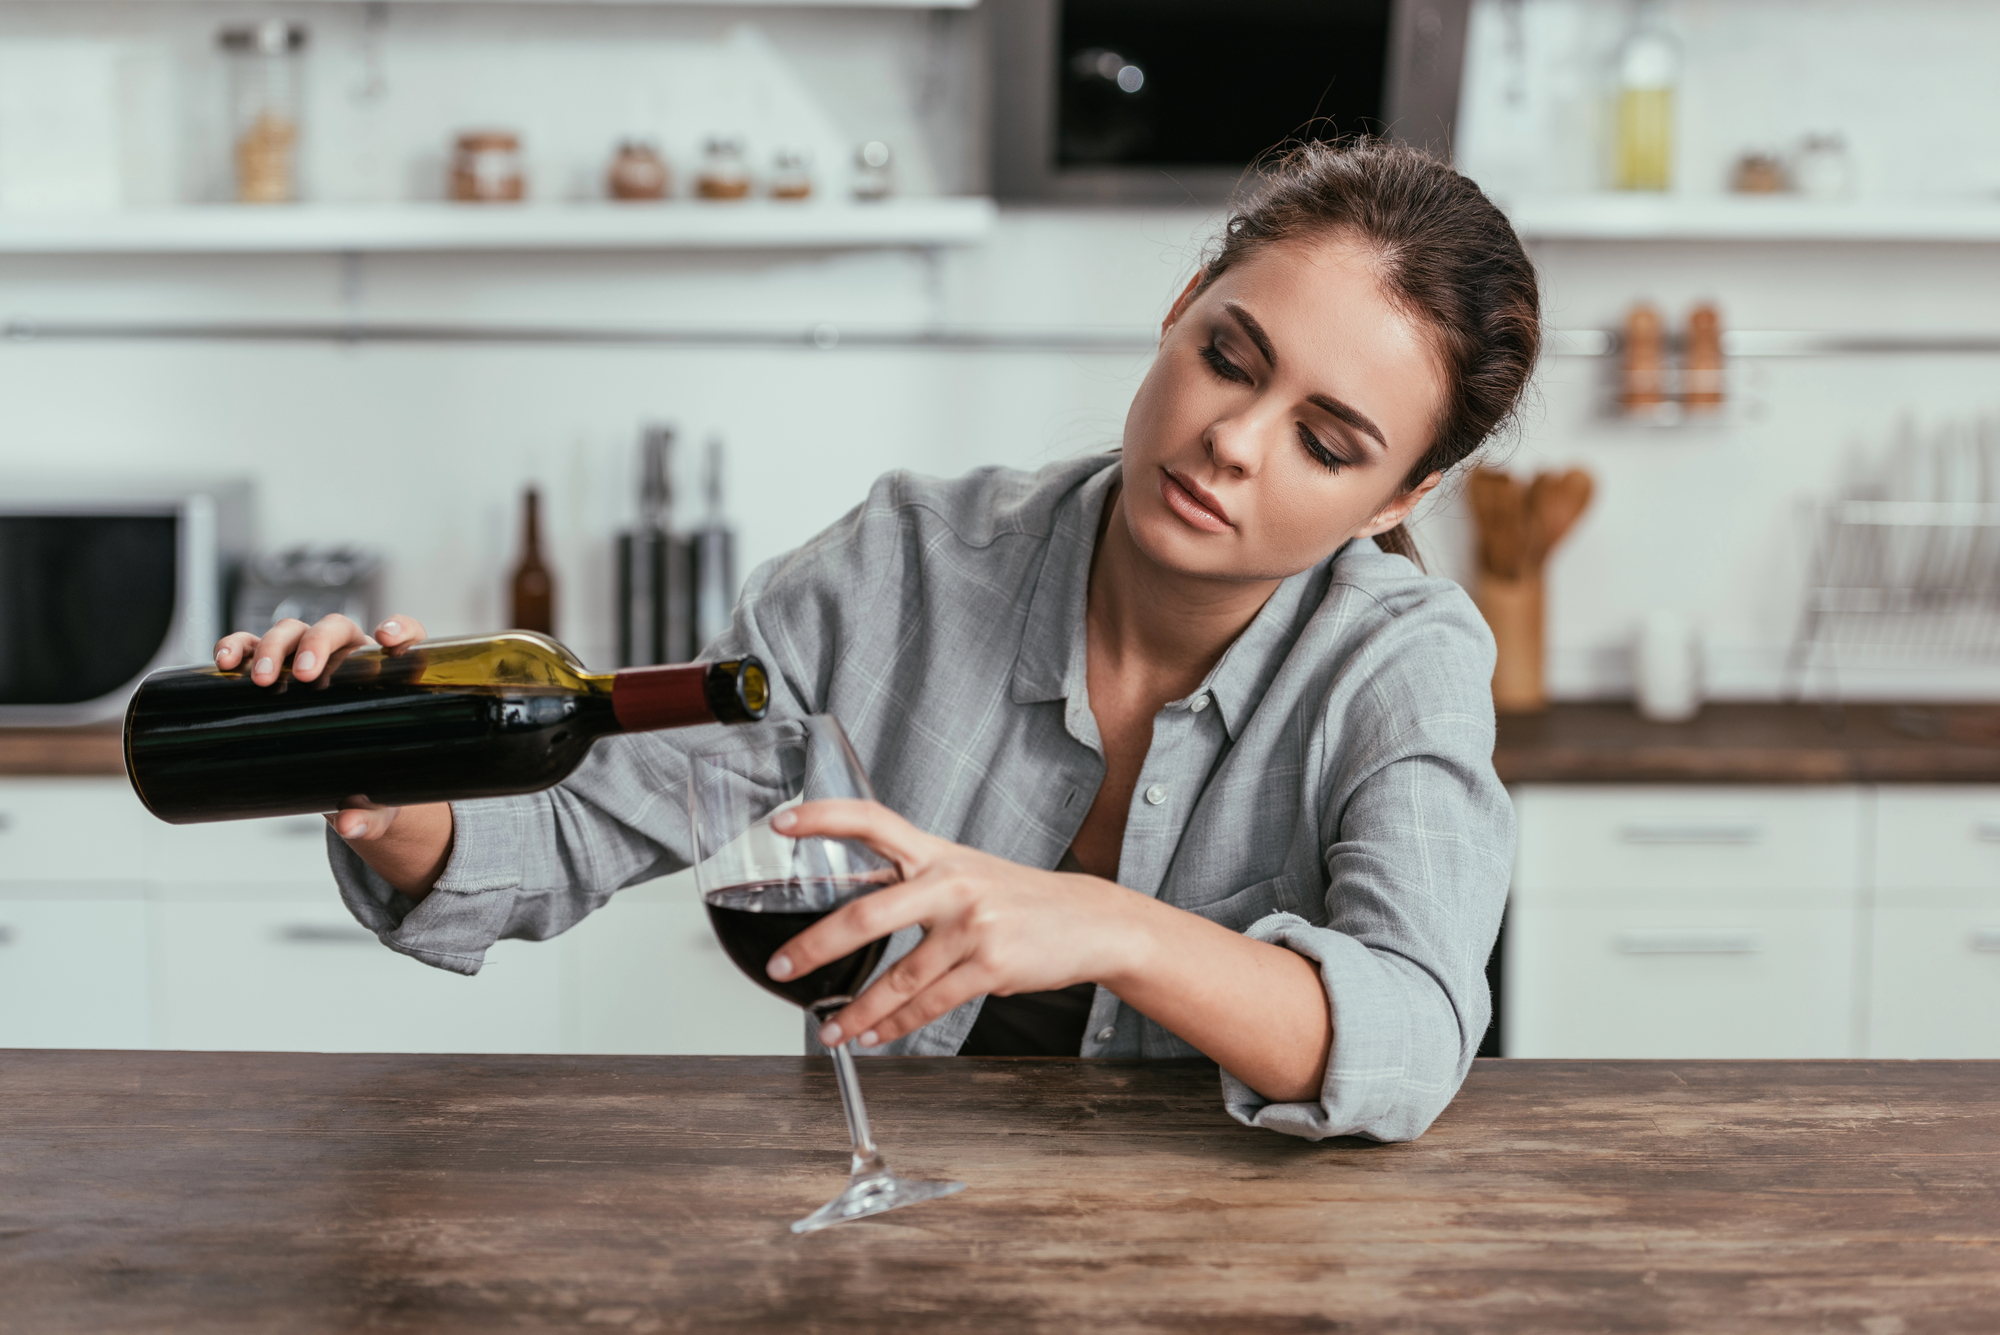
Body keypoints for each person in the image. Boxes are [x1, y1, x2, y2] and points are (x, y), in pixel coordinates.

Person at [216, 140, 1541, 1143]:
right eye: (1231, 357)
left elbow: (1417, 1034)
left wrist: (1108, 928)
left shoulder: (1401, 663)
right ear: (1183, 303)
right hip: (897, 1232)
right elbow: (589, 819)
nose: (1234, 442)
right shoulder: (910, 563)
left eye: (1326, 441)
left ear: (1400, 499)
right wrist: (394, 799)